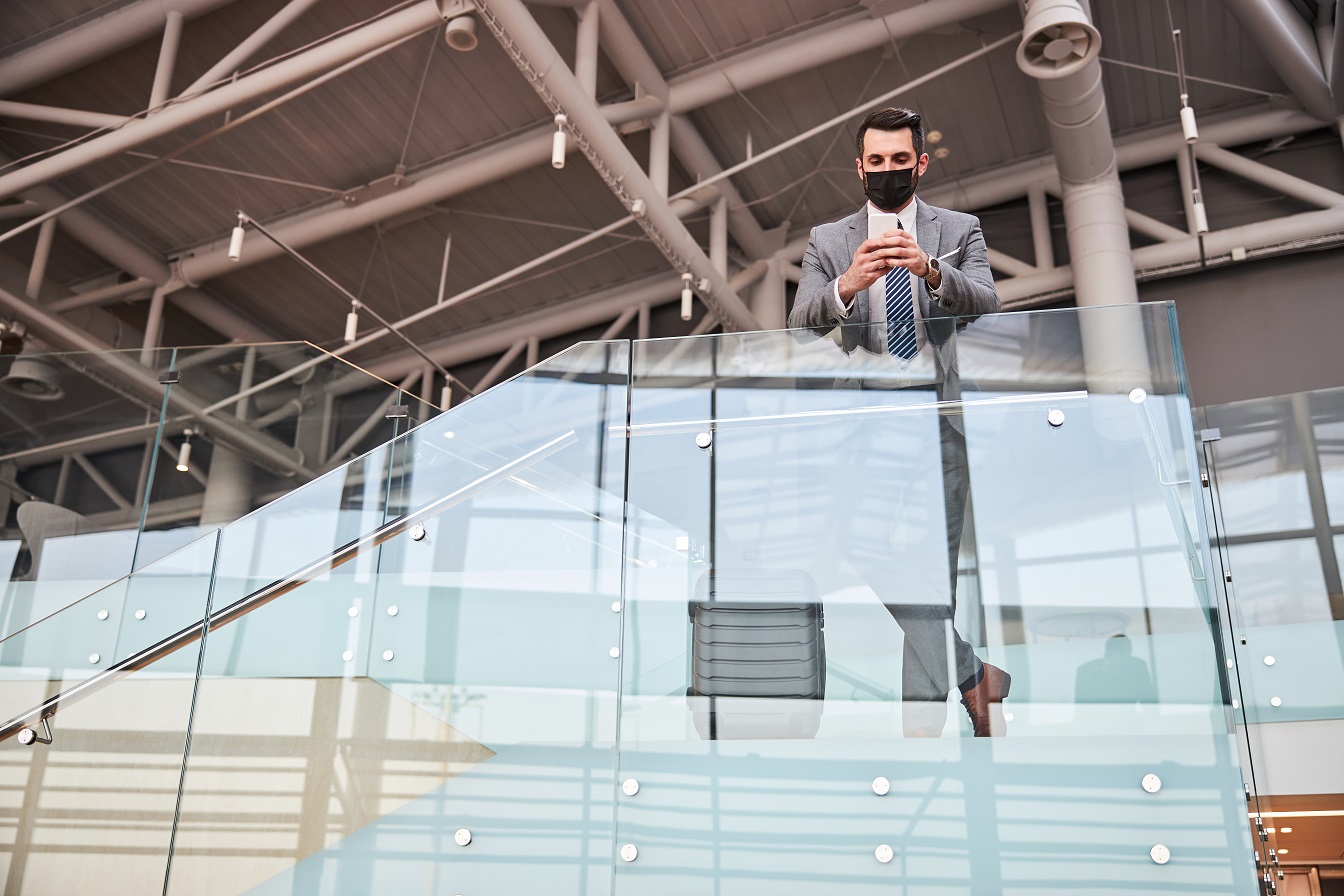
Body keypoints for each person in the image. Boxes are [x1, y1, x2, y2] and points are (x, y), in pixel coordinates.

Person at [789, 107, 1008, 737]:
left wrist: (932, 271)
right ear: (859, 167)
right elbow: (800, 322)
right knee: (858, 540)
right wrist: (847, 287)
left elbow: (989, 305)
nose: (888, 171)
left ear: (921, 162)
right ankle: (973, 678)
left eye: (899, 160)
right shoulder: (829, 241)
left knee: (935, 577)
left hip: (940, 415)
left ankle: (923, 738)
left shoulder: (957, 229)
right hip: (867, 422)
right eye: (876, 162)